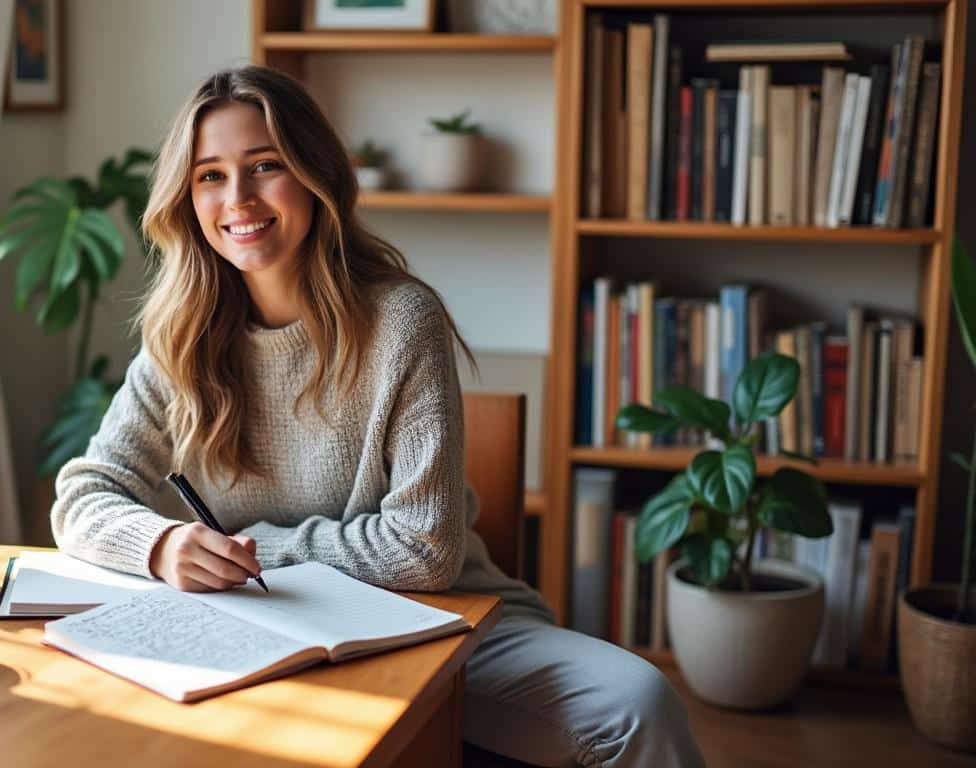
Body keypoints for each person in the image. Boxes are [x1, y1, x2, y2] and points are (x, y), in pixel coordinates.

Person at [51, 65, 705, 768]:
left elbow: (423, 552)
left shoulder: (401, 322)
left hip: (440, 622)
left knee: (640, 704)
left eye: (264, 166)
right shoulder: (180, 335)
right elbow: (83, 494)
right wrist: (161, 547)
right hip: (254, 626)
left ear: (315, 175)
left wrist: (252, 550)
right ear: (186, 196)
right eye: (210, 175)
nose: (237, 198)